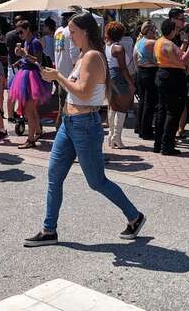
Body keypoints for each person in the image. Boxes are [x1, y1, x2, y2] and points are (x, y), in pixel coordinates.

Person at [25, 13, 146, 247]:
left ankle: (135, 216)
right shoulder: (82, 56)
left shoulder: (91, 56)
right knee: (54, 176)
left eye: (73, 31)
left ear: (85, 32)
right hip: (70, 124)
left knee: (97, 181)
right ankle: (49, 230)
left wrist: (57, 76)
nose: (69, 36)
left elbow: (81, 92)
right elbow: (76, 90)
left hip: (85, 124)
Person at [154, 19, 189, 155]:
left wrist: (183, 45)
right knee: (173, 112)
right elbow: (182, 60)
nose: (177, 32)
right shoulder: (169, 44)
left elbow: (174, 57)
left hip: (162, 74)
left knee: (162, 111)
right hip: (173, 77)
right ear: (171, 30)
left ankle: (158, 143)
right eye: (176, 29)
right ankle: (167, 146)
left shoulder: (159, 42)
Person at [10, 20, 51, 149]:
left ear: (28, 29)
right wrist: (20, 61)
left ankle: (31, 139)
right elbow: (28, 59)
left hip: (32, 77)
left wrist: (24, 54)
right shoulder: (26, 41)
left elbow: (37, 61)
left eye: (21, 31)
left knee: (29, 110)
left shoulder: (35, 42)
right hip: (25, 75)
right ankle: (37, 132)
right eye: (17, 32)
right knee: (31, 110)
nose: (19, 34)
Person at [105, 21, 135, 149]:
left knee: (113, 106)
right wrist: (131, 83)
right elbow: (123, 68)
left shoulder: (106, 45)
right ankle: (117, 137)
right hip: (118, 76)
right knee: (122, 107)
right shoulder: (118, 48)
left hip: (109, 76)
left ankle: (112, 136)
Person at [134, 21, 158, 140]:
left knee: (143, 102)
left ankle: (139, 127)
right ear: (149, 31)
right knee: (149, 103)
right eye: (154, 30)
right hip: (150, 73)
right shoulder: (152, 42)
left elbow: (134, 58)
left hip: (141, 72)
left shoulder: (139, 41)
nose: (155, 33)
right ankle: (146, 131)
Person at [54, 9, 81, 116]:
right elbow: (74, 54)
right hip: (70, 75)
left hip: (60, 73)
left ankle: (59, 128)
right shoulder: (71, 31)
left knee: (62, 105)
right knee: (70, 107)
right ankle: (65, 130)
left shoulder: (58, 31)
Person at [5, 15, 25, 122]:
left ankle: (10, 115)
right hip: (20, 66)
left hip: (11, 65)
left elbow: (8, 49)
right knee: (21, 91)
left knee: (11, 92)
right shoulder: (23, 35)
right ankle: (19, 113)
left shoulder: (9, 35)